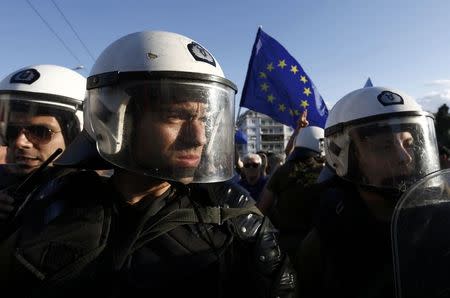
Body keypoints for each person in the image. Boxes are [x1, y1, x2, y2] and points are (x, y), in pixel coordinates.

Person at [0, 31, 297, 298]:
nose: (199, 137)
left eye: (205, 119)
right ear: (117, 120)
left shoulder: (231, 218)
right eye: (175, 116)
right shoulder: (51, 202)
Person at [297, 86, 441, 298]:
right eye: (384, 146)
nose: (405, 157)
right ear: (345, 158)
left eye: (408, 144)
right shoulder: (325, 242)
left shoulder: (439, 216)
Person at [0, 64, 85, 222]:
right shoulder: (4, 180)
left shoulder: (88, 203)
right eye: (11, 131)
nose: (20, 142)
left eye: (40, 132)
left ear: (76, 135)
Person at [258, 125, 325, 262]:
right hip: (317, 243)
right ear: (321, 144)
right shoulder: (326, 172)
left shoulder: (282, 171)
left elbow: (262, 208)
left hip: (284, 243)